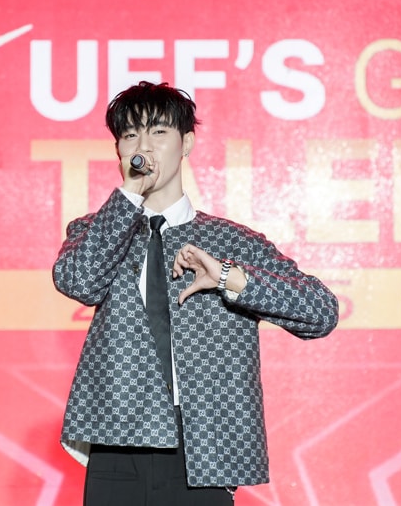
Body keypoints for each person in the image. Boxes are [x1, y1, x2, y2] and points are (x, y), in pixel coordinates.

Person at [52, 81, 339, 505]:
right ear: (118, 150)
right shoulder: (97, 230)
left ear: (186, 143)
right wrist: (129, 195)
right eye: (130, 135)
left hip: (204, 445)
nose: (143, 146)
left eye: (158, 132)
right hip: (117, 438)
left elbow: (321, 311)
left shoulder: (233, 241)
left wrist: (229, 278)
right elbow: (78, 281)